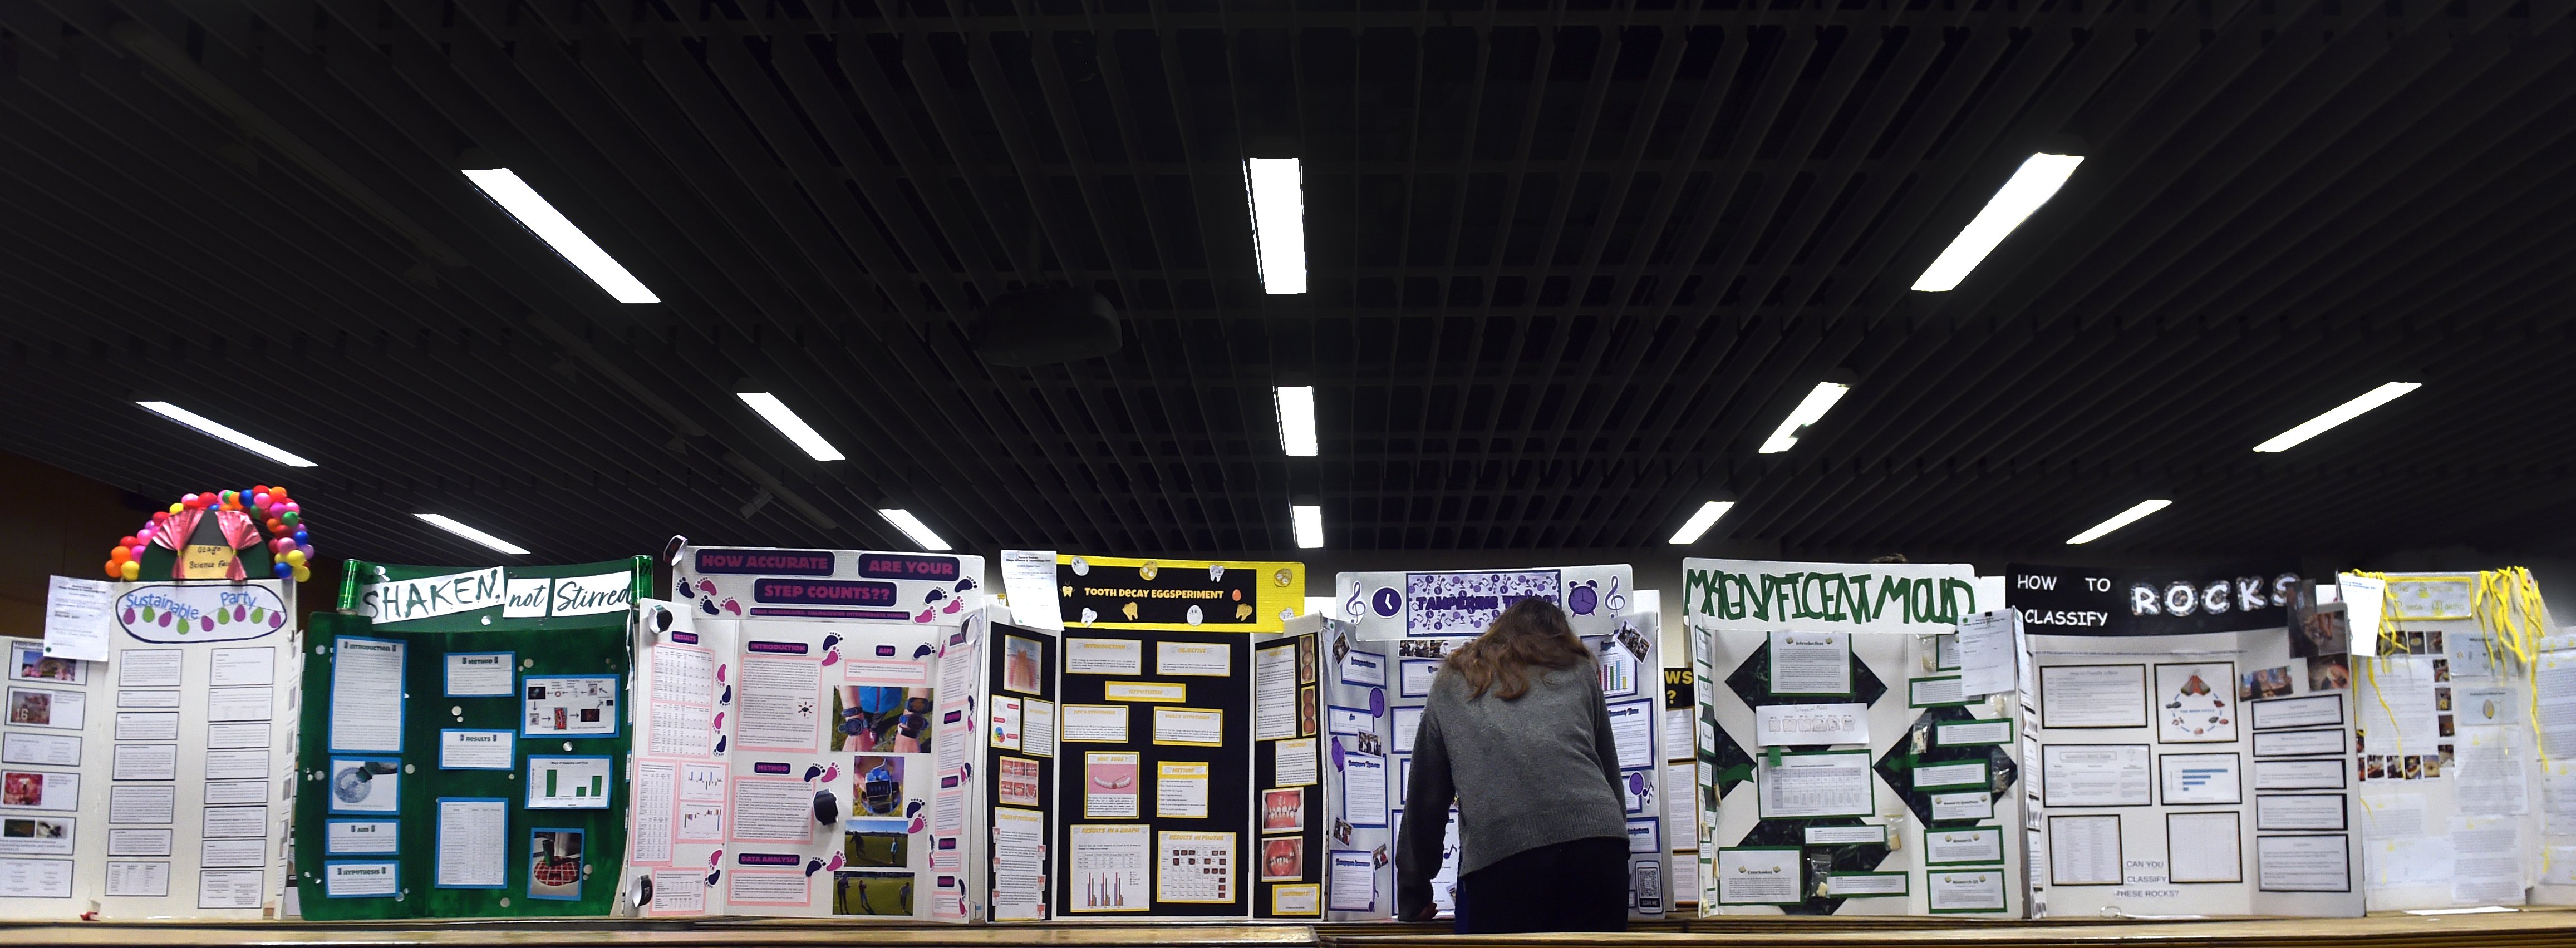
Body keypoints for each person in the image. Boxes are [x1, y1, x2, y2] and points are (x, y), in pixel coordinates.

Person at [1396, 598, 1629, 933]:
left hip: (1503, 857)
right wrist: (1616, 846)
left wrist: (1413, 894)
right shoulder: (1577, 670)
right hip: (1598, 849)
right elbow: (1609, 772)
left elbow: (1426, 798)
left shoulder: (1456, 677)